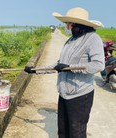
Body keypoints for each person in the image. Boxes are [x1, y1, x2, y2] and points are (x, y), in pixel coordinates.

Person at [25, 7, 104, 138]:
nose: (65, 26)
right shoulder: (70, 40)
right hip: (64, 93)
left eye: (67, 23)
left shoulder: (93, 39)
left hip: (80, 95)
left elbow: (98, 65)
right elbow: (59, 64)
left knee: (76, 132)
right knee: (63, 131)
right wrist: (35, 70)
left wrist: (70, 67)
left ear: (74, 24)